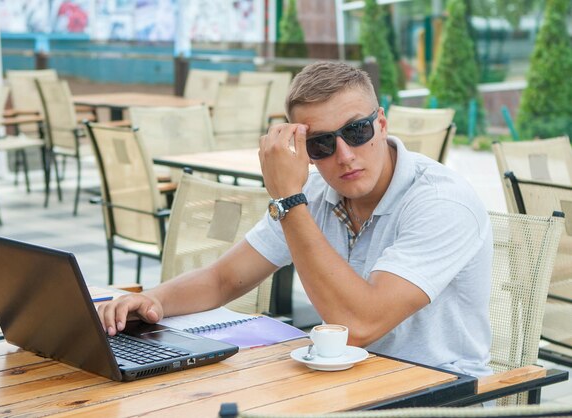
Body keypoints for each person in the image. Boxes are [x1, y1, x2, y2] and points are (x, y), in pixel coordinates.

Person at [98, 61, 493, 377]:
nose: (344, 155)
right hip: (347, 378)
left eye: (356, 130)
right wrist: (151, 300)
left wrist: (288, 199)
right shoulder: (318, 194)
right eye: (321, 143)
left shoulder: (441, 201)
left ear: (382, 124)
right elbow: (222, 279)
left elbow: (359, 325)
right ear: (302, 150)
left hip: (437, 388)